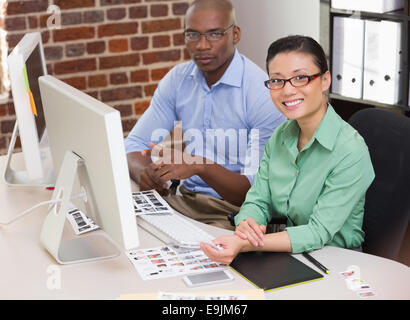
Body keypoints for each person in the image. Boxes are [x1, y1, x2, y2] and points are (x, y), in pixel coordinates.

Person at [201, 35, 375, 264]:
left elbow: (317, 232)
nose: (287, 90)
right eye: (277, 80)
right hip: (291, 255)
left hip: (339, 264)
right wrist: (247, 224)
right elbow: (257, 200)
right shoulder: (281, 136)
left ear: (325, 80)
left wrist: (246, 243)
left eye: (300, 78)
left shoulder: (351, 151)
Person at [124, 0, 285, 230]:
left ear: (235, 35)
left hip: (235, 212)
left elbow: (256, 192)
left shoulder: (262, 94)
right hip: (185, 200)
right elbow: (133, 144)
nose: (201, 45)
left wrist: (200, 166)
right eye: (193, 34)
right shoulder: (178, 80)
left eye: (214, 34)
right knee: (125, 229)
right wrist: (145, 174)